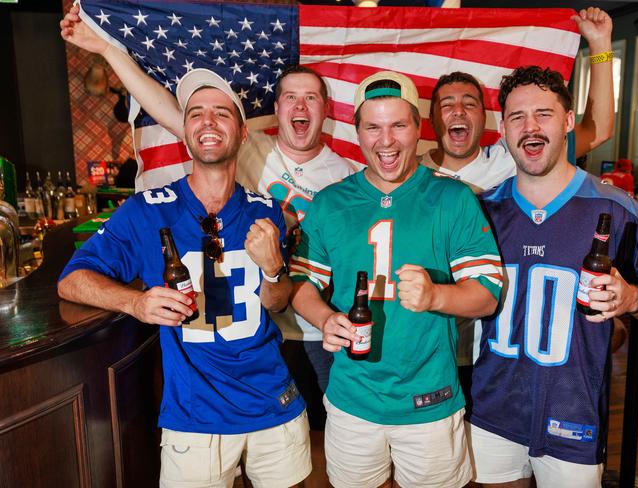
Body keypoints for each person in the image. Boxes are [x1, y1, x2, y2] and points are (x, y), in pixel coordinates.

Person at [60, 5, 360, 397]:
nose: (300, 107)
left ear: (326, 109)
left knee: (318, 428)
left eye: (311, 98)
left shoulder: (347, 175)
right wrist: (106, 49)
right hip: (253, 329)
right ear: (275, 108)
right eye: (290, 97)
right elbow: (171, 111)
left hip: (310, 322)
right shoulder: (248, 146)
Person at [58, 70, 311, 488]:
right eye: (196, 114)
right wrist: (135, 303)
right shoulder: (147, 211)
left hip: (274, 406)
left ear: (243, 134)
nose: (207, 122)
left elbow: (278, 301)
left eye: (221, 113)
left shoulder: (268, 211)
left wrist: (272, 267)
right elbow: (71, 280)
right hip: (194, 417)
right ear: (186, 131)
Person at [290, 70, 503, 488]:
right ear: (357, 131)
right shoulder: (332, 202)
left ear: (419, 128)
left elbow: (487, 296)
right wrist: (324, 319)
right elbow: (302, 283)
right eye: (373, 126)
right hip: (351, 400)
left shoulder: (452, 198)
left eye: (398, 126)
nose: (385, 142)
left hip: (430, 403)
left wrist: (436, 296)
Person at [468, 65, 638, 488]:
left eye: (544, 114)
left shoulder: (618, 211)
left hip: (576, 417)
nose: (530, 128)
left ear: (569, 121)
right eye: (517, 117)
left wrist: (632, 301)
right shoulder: (482, 213)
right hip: (493, 409)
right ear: (503, 128)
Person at [422, 6, 615, 400]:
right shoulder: (411, 174)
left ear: (487, 118)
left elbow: (600, 129)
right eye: (447, 104)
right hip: (430, 346)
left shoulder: (512, 156)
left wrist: (599, 47)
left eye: (470, 103)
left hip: (491, 348)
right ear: (433, 120)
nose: (458, 111)